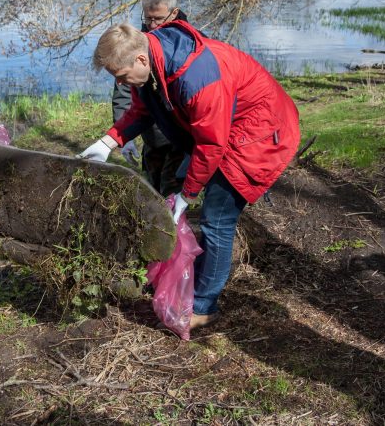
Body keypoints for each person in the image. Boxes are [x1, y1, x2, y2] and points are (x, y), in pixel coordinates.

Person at [79, 18, 300, 329]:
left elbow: (211, 145)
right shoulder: (153, 59)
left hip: (258, 133)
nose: (123, 84)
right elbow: (144, 110)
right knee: (192, 195)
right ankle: (193, 271)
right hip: (225, 130)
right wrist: (110, 140)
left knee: (217, 219)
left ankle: (204, 305)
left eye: (123, 75)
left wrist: (188, 195)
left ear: (140, 59)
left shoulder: (197, 76)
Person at [112, 0, 189, 196]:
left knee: (171, 190)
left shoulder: (189, 43)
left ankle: (174, 223)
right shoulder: (136, 44)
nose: (152, 25)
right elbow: (123, 92)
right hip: (151, 136)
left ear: (173, 13)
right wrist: (124, 137)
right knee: (151, 190)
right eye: (148, 19)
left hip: (180, 136)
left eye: (158, 19)